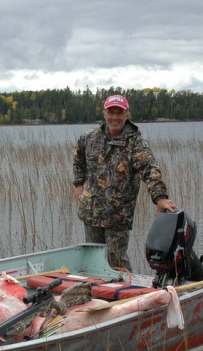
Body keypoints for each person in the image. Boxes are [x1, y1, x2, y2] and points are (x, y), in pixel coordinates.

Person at [73, 94, 177, 271]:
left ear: (127, 114)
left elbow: (149, 170)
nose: (115, 117)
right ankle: (98, 294)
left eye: (119, 113)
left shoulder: (135, 143)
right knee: (92, 260)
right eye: (111, 112)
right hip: (90, 212)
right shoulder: (89, 138)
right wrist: (79, 187)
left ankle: (127, 293)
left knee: (117, 262)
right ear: (104, 113)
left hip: (118, 215)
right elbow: (78, 161)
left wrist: (160, 198)